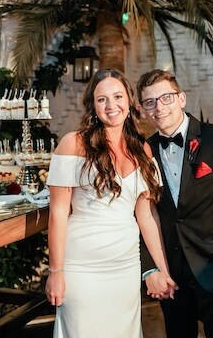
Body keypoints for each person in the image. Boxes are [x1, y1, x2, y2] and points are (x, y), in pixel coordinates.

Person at [45, 68, 177, 337]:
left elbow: (147, 216)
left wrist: (162, 268)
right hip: (82, 268)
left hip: (126, 267)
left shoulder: (143, 149)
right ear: (93, 106)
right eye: (102, 99)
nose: (111, 105)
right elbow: (58, 213)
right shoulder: (73, 144)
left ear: (129, 102)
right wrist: (55, 271)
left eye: (117, 96)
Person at [136, 69, 213, 338]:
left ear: (181, 98)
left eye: (166, 97)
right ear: (143, 110)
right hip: (171, 274)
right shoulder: (144, 152)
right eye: (150, 102)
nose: (159, 107)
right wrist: (152, 268)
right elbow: (142, 215)